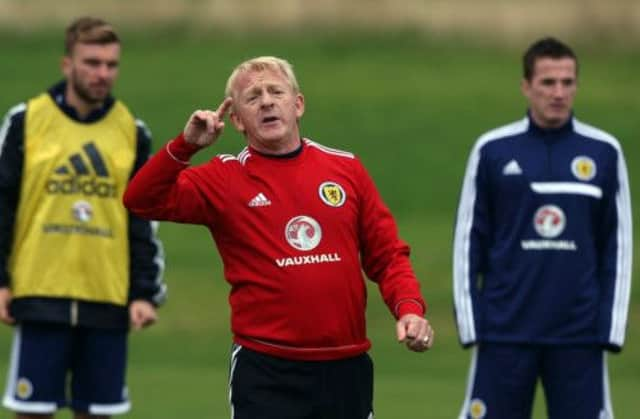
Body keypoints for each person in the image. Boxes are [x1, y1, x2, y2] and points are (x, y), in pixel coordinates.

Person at [123, 56, 434, 419]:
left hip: (345, 365)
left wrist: (410, 310)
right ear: (237, 119)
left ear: (297, 104)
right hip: (267, 369)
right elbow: (140, 199)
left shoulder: (345, 168)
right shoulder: (224, 178)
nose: (267, 101)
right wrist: (186, 145)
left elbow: (388, 255)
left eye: (276, 91)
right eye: (252, 97)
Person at [453, 37, 632, 419]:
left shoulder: (604, 152)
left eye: (567, 82)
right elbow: (469, 241)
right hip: (505, 333)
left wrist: (610, 328)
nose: (558, 93)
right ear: (526, 86)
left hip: (578, 337)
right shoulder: (492, 150)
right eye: (548, 82)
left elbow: (618, 245)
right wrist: (472, 324)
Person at [0, 17, 166, 419]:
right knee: (32, 410)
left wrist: (144, 291)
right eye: (91, 62)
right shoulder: (27, 121)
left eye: (111, 65)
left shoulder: (132, 131)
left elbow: (141, 220)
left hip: (106, 296)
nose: (102, 73)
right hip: (40, 293)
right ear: (67, 64)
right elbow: (2, 205)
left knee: (97, 413)